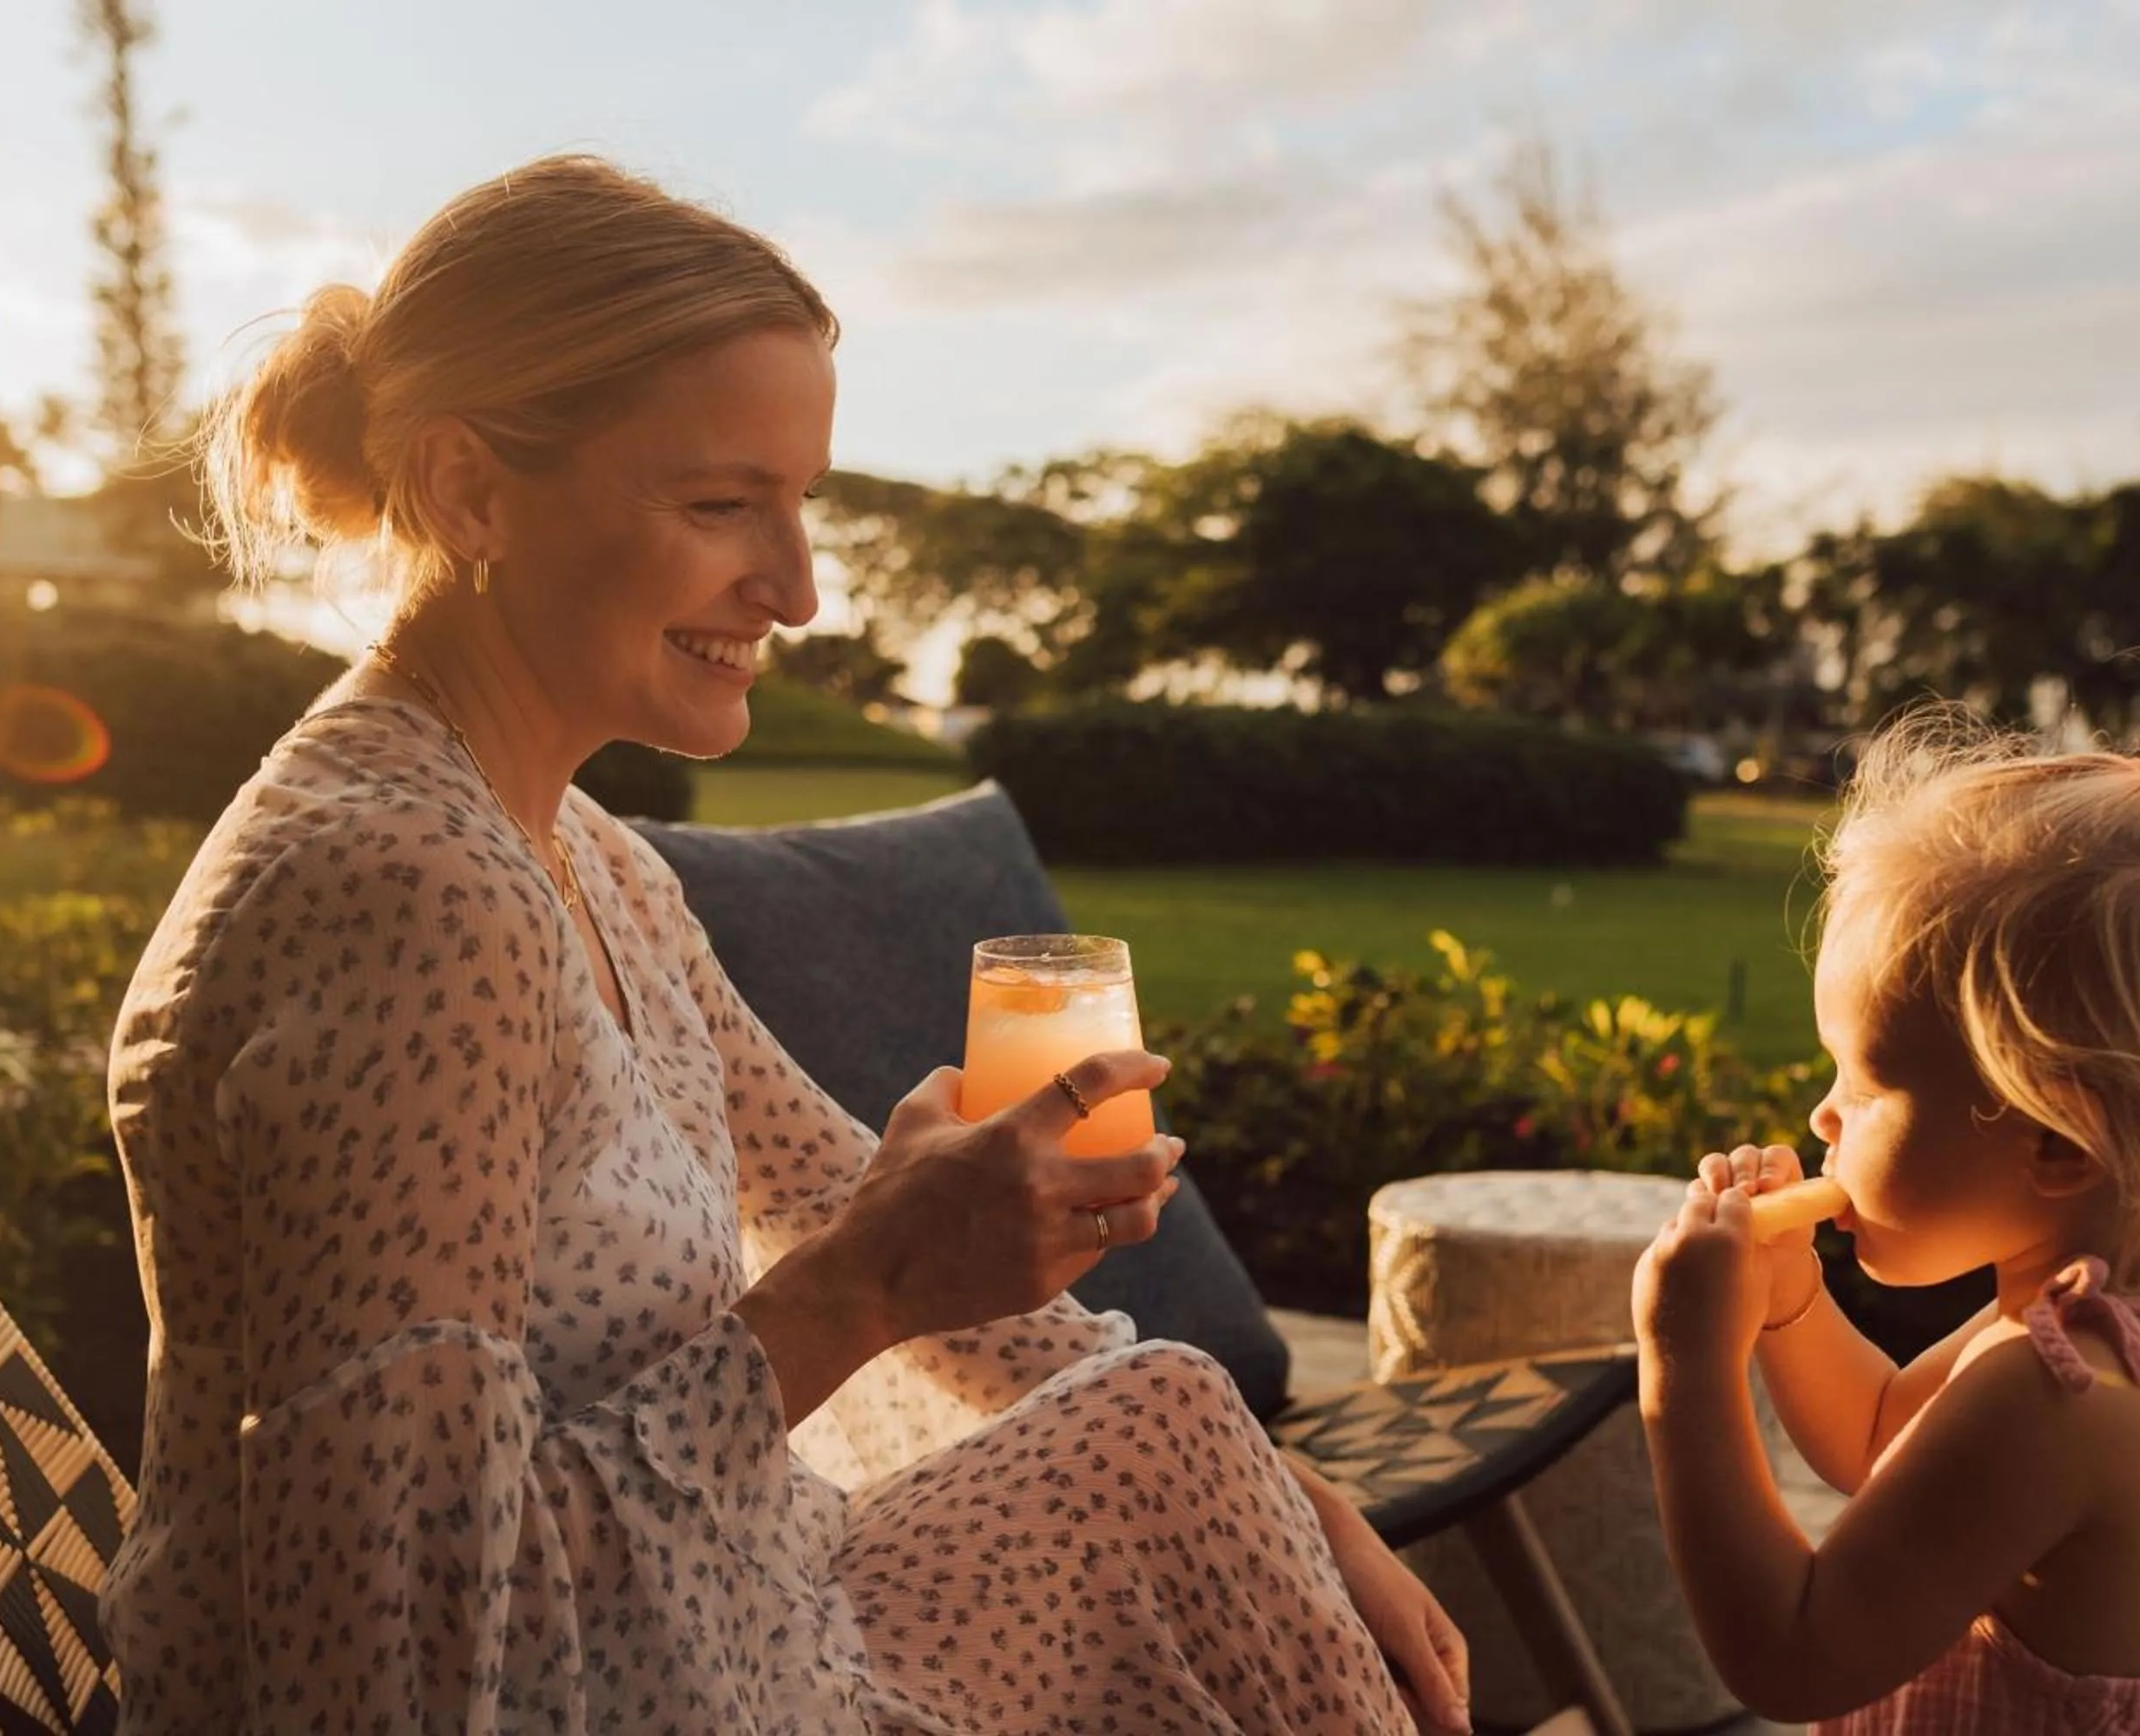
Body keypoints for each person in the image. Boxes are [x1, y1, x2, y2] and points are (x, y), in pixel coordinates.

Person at [102, 155, 1468, 1735]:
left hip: (734, 1623)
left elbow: (828, 1191)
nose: (803, 591)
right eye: (720, 505)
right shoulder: (408, 895)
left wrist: (1296, 1490)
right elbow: (390, 1660)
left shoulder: (582, 855)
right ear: (470, 490)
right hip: (616, 1692)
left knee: (1166, 1420)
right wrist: (857, 1296)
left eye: (802, 500)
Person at [1630, 596, 2140, 1731]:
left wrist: (1682, 1369)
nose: (1824, 1119)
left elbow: (1794, 1654)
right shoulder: (2125, 1312)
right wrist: (1786, 1311)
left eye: (1868, 1088)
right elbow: (1889, 1443)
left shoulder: (2059, 1394)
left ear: (2060, 1139)